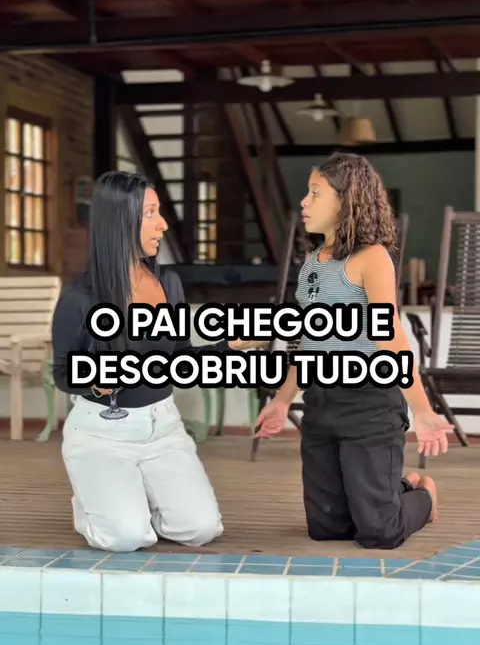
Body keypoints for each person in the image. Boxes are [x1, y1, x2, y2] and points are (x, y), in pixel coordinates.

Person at [52, 170, 263, 553]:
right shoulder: (80, 296)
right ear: (121, 221)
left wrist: (230, 347)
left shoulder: (169, 284)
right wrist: (95, 381)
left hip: (163, 428)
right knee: (126, 537)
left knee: (200, 530)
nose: (163, 224)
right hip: (102, 435)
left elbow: (179, 360)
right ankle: (92, 505)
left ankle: (130, 497)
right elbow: (64, 373)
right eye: (151, 213)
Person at [255, 152, 452, 550]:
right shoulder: (312, 263)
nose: (304, 202)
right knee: (327, 528)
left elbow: (390, 335)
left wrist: (422, 409)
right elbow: (310, 341)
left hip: (370, 406)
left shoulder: (372, 257)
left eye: (315, 193)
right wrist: (282, 401)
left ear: (345, 200)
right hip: (322, 403)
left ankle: (423, 493)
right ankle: (393, 487)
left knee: (380, 532)